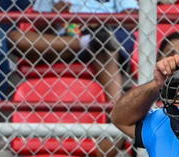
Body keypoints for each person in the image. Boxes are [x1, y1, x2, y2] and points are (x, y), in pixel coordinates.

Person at [8, 0, 136, 102]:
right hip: (60, 42)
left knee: (104, 42)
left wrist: (96, 21)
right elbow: (39, 30)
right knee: (14, 38)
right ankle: (87, 42)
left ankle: (115, 114)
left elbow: (132, 17)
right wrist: (54, 16)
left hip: (106, 34)